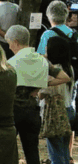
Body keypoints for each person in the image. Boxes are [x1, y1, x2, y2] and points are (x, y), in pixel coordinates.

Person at [7, 25, 71, 164]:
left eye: (9, 43)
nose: (9, 46)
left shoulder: (10, 63)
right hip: (32, 111)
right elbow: (65, 77)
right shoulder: (42, 60)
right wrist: (42, 84)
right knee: (32, 152)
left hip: (13, 111)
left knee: (9, 150)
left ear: (16, 42)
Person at [42, 35, 75, 164]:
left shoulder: (55, 71)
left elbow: (47, 92)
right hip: (68, 110)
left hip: (55, 113)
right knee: (64, 152)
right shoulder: (69, 68)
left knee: (55, 152)